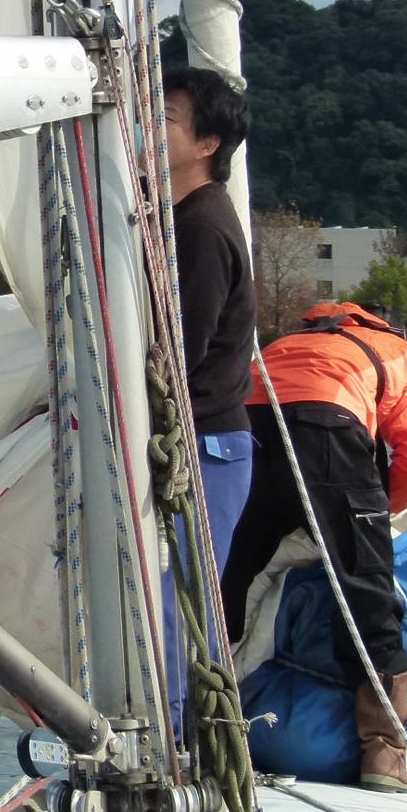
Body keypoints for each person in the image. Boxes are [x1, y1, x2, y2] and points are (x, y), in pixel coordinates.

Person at [220, 300, 407, 792]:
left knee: (229, 583)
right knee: (365, 591)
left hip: (246, 432)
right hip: (328, 428)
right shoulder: (402, 355)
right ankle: (383, 755)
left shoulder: (286, 344)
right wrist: (378, 516)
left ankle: (202, 721)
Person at [161, 67, 257, 571]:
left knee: (179, 600)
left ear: (207, 144)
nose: (148, 127)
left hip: (205, 446)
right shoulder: (175, 217)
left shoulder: (202, 227)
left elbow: (184, 347)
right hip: (188, 439)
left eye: (166, 118)